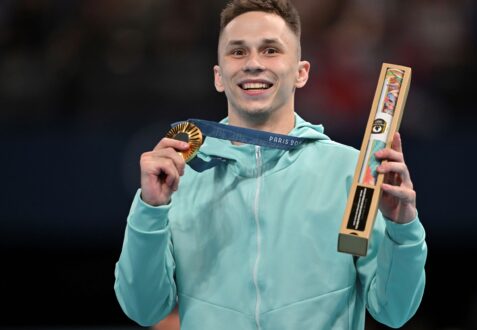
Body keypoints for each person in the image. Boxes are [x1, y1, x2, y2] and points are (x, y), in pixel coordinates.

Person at [114, 0, 427, 329]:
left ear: (301, 72)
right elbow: (142, 309)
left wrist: (402, 229)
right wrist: (149, 209)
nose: (252, 64)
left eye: (270, 50)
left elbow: (393, 311)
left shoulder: (350, 171)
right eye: (237, 52)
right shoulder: (181, 175)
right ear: (219, 77)